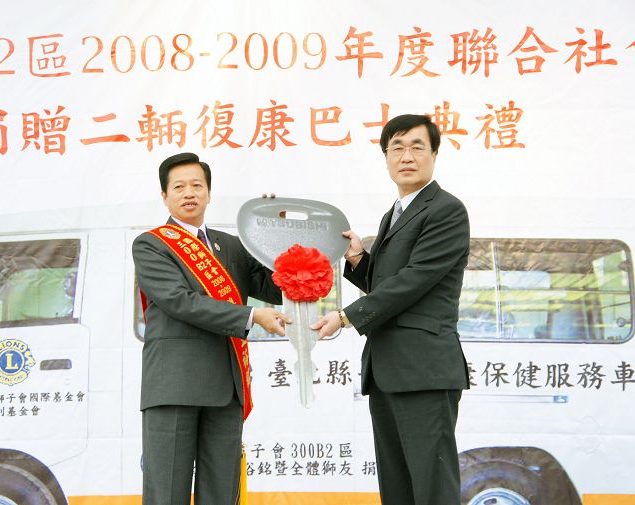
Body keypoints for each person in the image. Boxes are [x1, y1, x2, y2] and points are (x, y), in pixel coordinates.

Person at [311, 114, 470, 505]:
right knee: (397, 487)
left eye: (417, 146)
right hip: (387, 369)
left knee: (431, 486)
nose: (406, 156)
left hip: (424, 370)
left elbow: (414, 281)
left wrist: (345, 316)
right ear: (385, 157)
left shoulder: (446, 210)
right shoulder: (394, 213)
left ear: (434, 154)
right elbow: (388, 284)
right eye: (396, 148)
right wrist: (358, 259)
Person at [133, 152, 289, 505]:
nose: (189, 193)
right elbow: (179, 301)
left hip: (226, 387)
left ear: (208, 192)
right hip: (174, 385)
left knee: (222, 493)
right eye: (179, 187)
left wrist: (273, 235)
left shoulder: (231, 244)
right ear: (165, 196)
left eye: (197, 185)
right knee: (166, 494)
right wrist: (251, 317)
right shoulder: (151, 244)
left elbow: (276, 289)